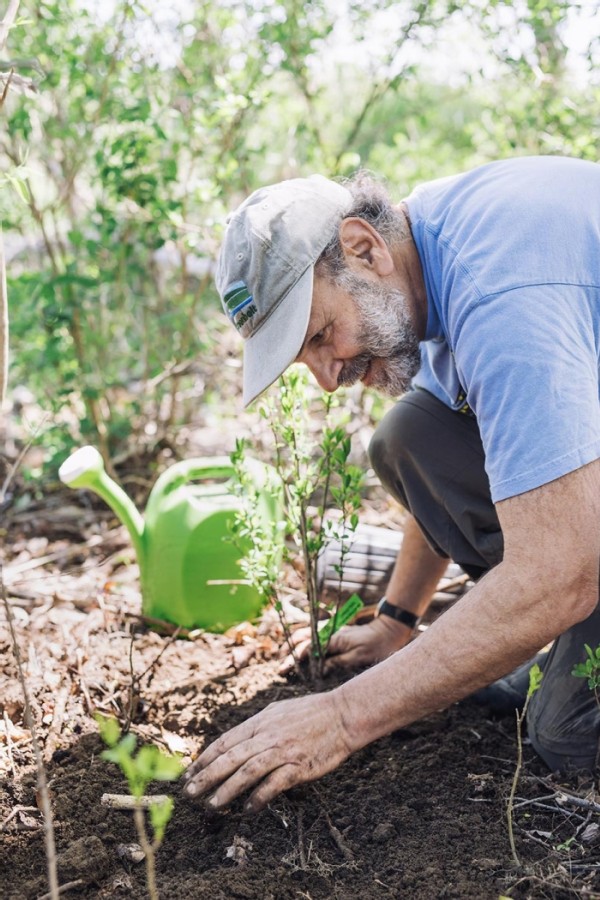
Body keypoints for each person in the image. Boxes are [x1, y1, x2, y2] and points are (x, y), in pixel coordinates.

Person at [182, 156, 600, 814]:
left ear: (361, 248)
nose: (327, 376)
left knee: (566, 734)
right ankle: (551, 636)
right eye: (306, 358)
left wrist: (342, 717)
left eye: (321, 334)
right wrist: (397, 623)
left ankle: (556, 644)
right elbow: (438, 456)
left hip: (574, 561)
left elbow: (560, 570)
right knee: (410, 434)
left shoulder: (499, 291)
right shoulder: (426, 245)